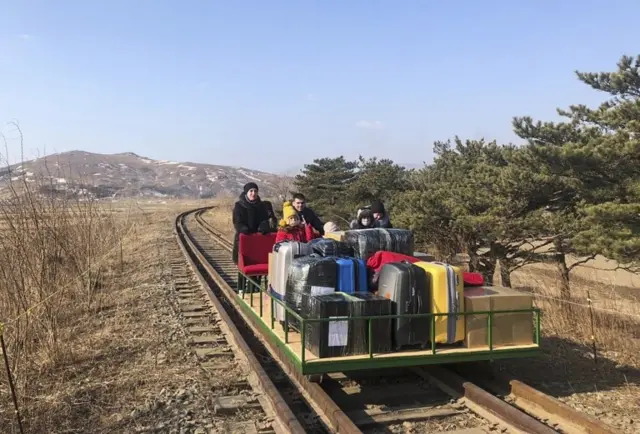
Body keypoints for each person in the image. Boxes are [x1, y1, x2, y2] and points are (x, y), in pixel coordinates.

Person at [232, 182, 271, 264]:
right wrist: (242, 228)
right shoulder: (239, 205)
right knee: (244, 262)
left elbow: (264, 219)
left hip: (258, 237)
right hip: (244, 237)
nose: (253, 193)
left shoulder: (261, 205)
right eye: (251, 191)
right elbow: (237, 222)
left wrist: (263, 226)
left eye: (255, 191)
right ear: (247, 192)